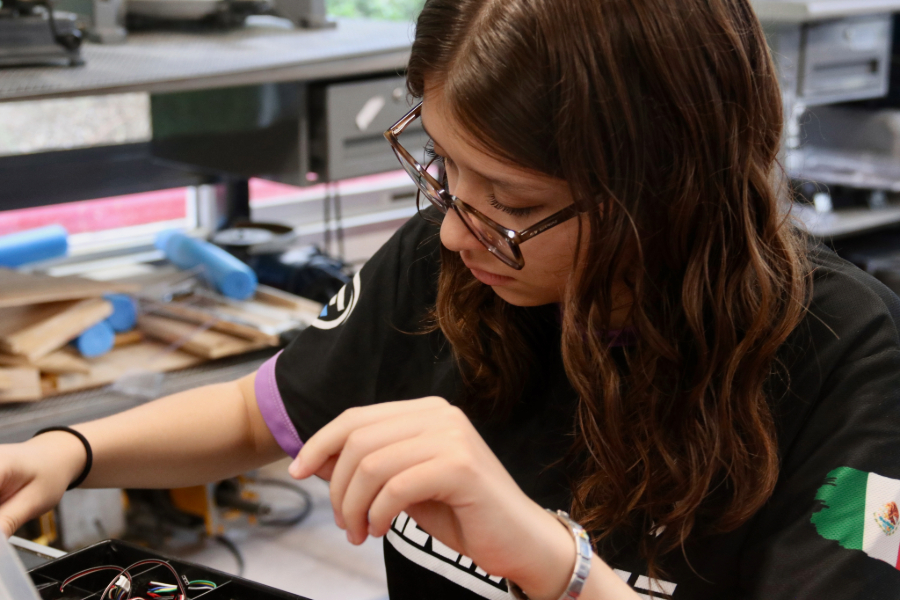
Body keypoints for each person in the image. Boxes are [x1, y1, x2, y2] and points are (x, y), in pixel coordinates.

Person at [4, 0, 900, 598]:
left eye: (513, 203)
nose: (454, 232)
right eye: (442, 168)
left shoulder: (848, 358)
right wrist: (67, 450)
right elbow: (262, 414)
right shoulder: (460, 265)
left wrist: (558, 565)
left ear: (669, 188)